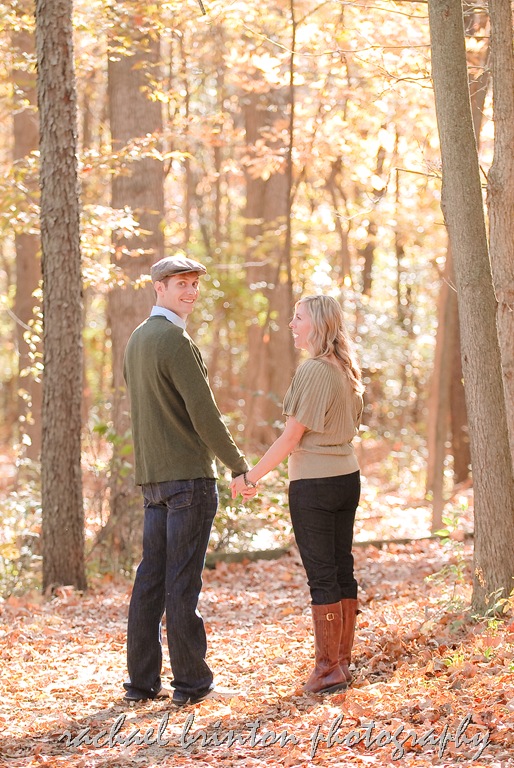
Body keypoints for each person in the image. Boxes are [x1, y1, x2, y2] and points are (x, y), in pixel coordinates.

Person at [123, 254, 255, 706]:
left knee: (151, 582)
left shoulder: (137, 340)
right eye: (180, 284)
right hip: (187, 481)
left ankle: (141, 686)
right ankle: (192, 685)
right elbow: (204, 415)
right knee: (181, 585)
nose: (190, 292)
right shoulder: (173, 341)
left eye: (195, 284)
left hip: (154, 481)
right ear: (157, 287)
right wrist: (238, 464)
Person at [231, 295, 364, 695]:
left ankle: (327, 671)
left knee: (323, 575)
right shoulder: (346, 370)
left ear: (318, 325)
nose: (291, 324)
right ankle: (340, 662)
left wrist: (250, 476)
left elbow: (292, 436)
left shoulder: (314, 371)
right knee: (341, 569)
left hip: (315, 484)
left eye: (298, 318)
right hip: (347, 478)